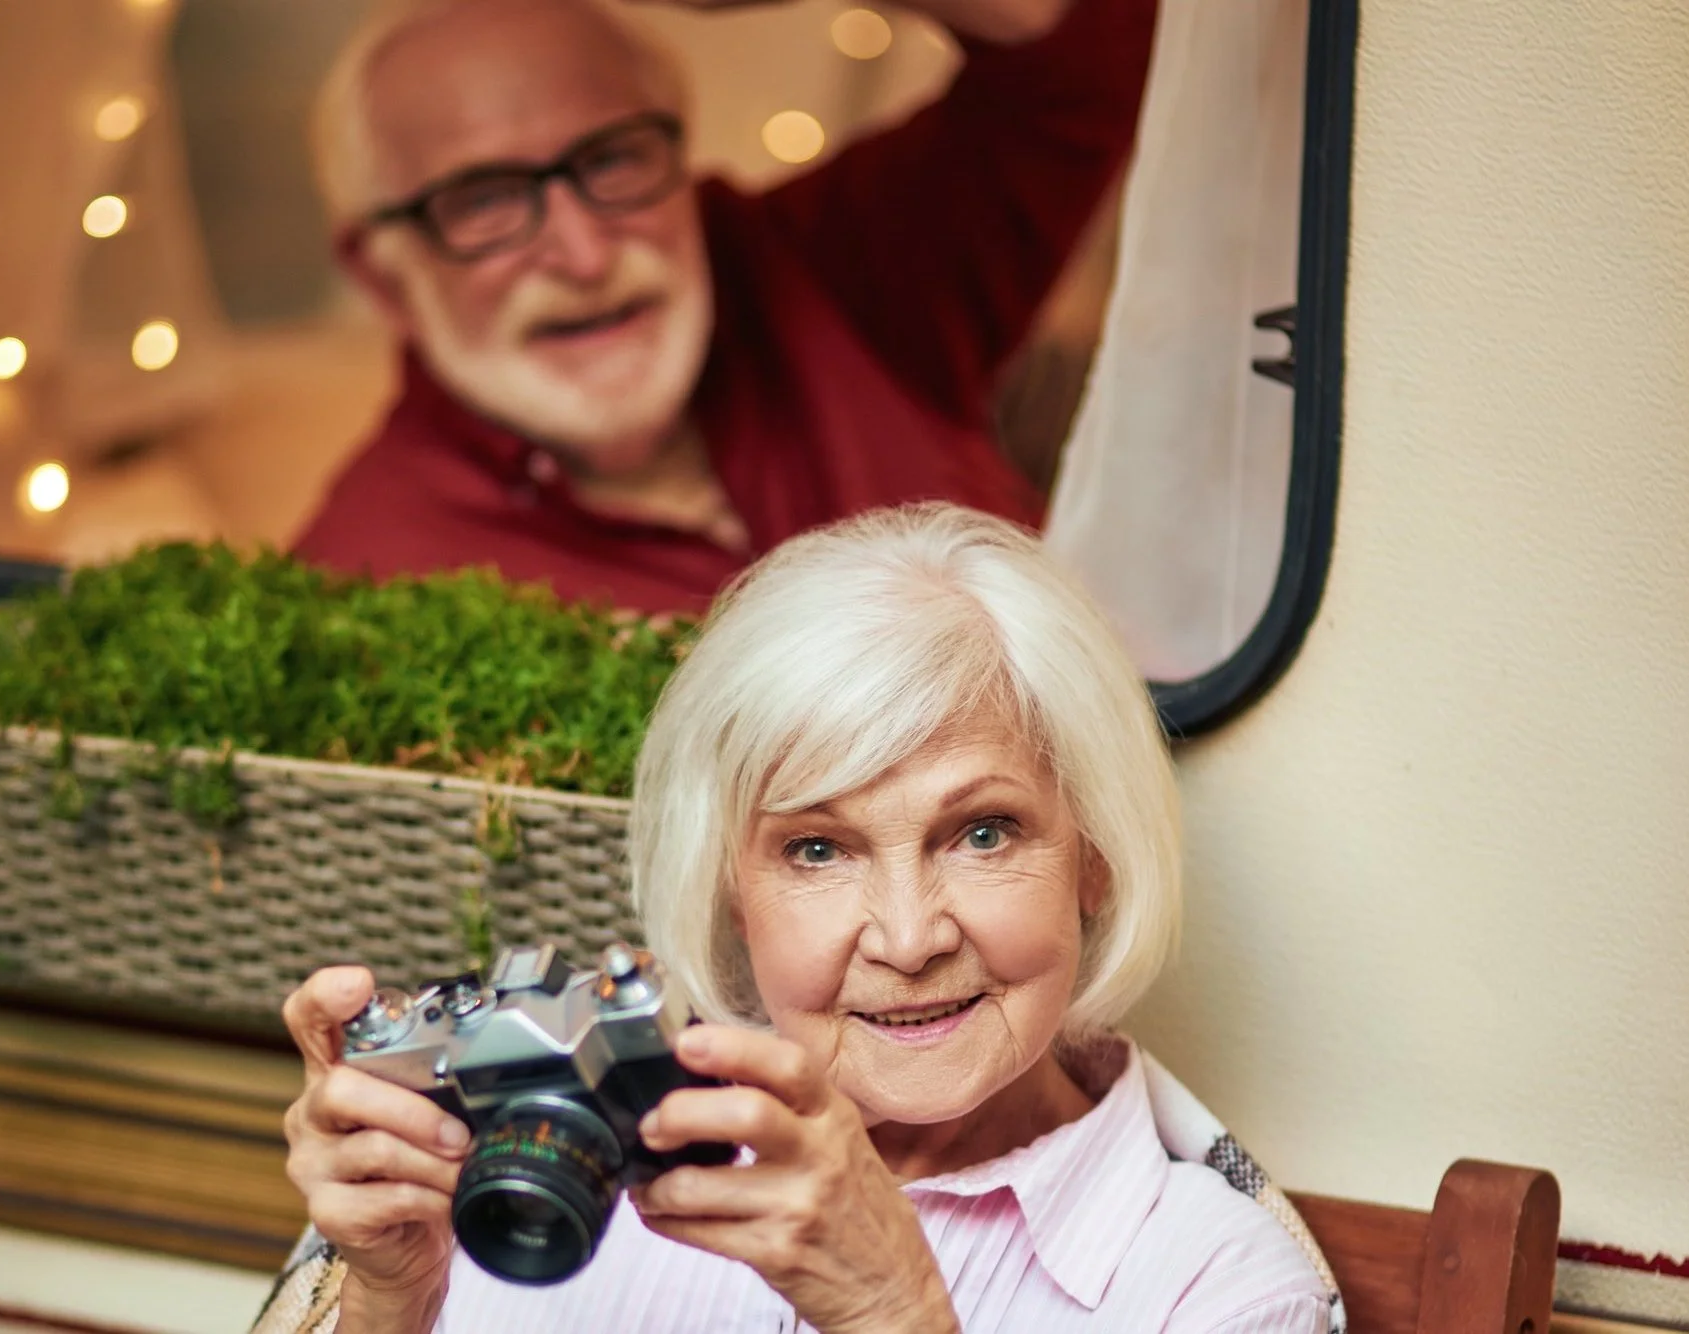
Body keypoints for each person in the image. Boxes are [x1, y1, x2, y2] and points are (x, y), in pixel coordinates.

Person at [265, 503, 1339, 1332]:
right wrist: (390, 1297)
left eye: (984, 833)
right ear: (732, 889)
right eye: (817, 849)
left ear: (1092, 860)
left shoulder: (1221, 1290)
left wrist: (892, 1312)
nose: (909, 939)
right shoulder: (550, 1167)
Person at [290, 0, 1156, 614]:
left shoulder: (824, 270)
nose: (584, 257)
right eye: (483, 202)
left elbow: (1090, 61)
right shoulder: (363, 584)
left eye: (613, 159)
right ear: (383, 279)